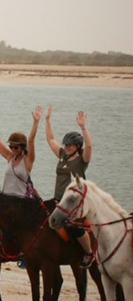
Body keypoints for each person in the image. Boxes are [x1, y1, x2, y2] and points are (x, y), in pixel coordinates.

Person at [45, 106, 94, 265]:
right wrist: (47, 120)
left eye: (70, 145)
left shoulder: (82, 160)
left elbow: (89, 147)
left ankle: (88, 253)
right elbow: (51, 140)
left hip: (74, 202)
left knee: (74, 227)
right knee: (40, 219)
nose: (66, 147)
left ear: (77, 147)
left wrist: (83, 127)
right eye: (65, 145)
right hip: (58, 200)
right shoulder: (62, 155)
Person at [0, 105, 41, 197]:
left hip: (20, 201)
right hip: (5, 199)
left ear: (22, 147)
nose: (13, 150)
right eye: (11, 147)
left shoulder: (28, 160)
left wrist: (36, 122)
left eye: (16, 147)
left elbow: (31, 140)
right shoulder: (10, 157)